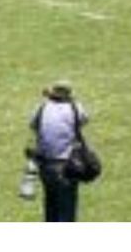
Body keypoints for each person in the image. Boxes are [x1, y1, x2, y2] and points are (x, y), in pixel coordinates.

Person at [29, 82, 92, 222]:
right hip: (68, 165)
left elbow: (33, 125)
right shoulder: (75, 107)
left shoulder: (42, 107)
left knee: (50, 204)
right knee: (67, 208)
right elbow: (84, 120)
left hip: (45, 164)